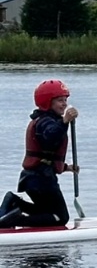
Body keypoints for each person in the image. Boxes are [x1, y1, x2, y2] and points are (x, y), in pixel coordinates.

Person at [0, 80, 80, 230]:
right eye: (59, 100)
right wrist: (64, 122)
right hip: (41, 180)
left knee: (47, 212)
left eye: (65, 100)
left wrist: (66, 167)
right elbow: (50, 136)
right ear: (47, 102)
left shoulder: (48, 120)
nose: (64, 104)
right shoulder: (45, 122)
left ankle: (15, 203)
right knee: (60, 217)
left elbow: (47, 155)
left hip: (36, 178)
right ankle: (10, 220)